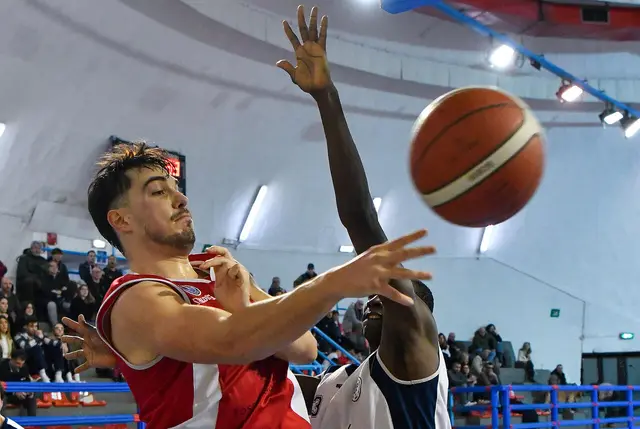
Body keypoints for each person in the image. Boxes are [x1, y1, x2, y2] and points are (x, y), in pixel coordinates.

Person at [62, 140, 432, 425]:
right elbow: (231, 340)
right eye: (159, 191)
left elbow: (303, 348)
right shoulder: (136, 298)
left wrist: (244, 303)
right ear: (122, 221)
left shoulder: (215, 268)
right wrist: (333, 283)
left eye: (175, 188)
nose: (181, 198)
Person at [276, 6, 450, 428]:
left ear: (423, 323)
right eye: (376, 293)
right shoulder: (338, 381)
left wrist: (326, 97)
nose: (377, 297)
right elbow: (264, 378)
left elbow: (360, 217)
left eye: (391, 295)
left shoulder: (416, 362)